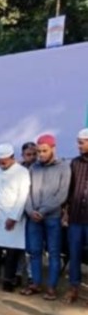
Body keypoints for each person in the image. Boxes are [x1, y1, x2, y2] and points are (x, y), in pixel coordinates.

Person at [21, 134, 71, 301]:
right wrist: (30, 211)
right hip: (33, 218)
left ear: (53, 149)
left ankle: (51, 287)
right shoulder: (33, 168)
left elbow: (62, 195)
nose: (41, 154)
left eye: (44, 151)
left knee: (54, 253)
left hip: (52, 218)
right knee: (34, 252)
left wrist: (42, 211)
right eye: (39, 151)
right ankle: (35, 283)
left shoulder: (64, 168)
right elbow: (26, 192)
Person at [0, 144, 30, 292]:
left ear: (12, 158)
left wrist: (14, 217)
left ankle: (8, 280)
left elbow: (22, 197)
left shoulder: (22, 172)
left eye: (5, 161)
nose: (2, 164)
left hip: (14, 218)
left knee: (12, 252)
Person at [63, 128, 88, 304]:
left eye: (82, 143)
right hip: (76, 218)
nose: (78, 146)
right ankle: (73, 288)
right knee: (74, 253)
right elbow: (70, 190)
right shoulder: (75, 163)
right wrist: (65, 212)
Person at [16, 141, 38, 285]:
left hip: (35, 213)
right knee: (19, 245)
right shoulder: (17, 169)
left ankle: (31, 275)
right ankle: (18, 273)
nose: (32, 157)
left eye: (34, 154)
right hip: (19, 212)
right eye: (28, 154)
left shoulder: (40, 168)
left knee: (32, 247)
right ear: (22, 155)